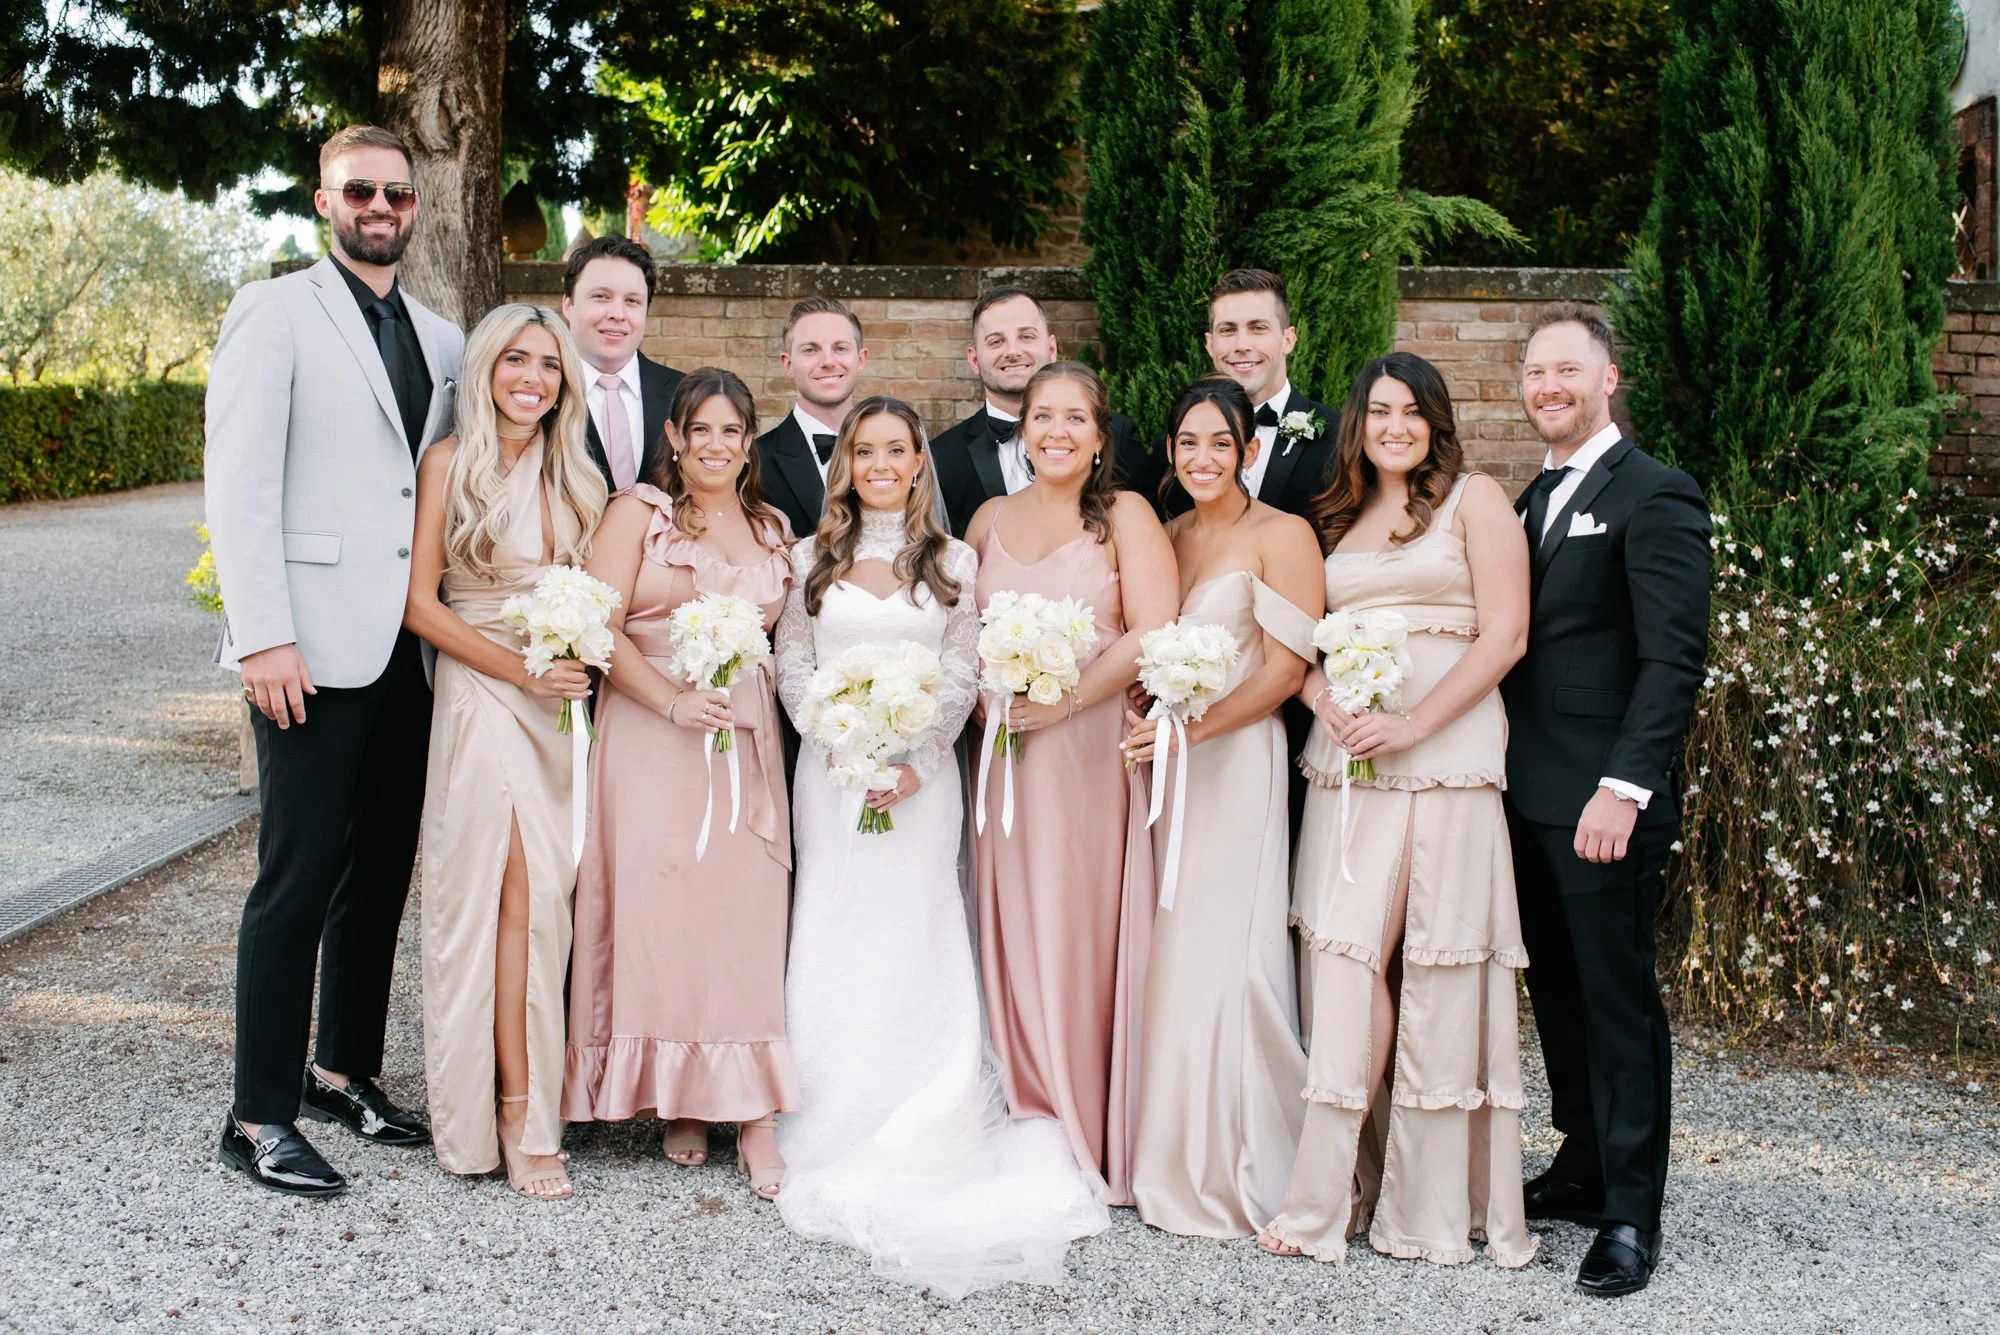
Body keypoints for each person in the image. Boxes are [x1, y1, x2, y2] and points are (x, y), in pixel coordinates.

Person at [771, 397, 1109, 1297]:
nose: (881, 463)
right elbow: (793, 662)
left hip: (922, 787)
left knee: (918, 922)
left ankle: (928, 1100)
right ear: (844, 462)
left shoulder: (957, 560)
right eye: (864, 449)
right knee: (834, 920)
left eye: (897, 449)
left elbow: (962, 668)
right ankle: (828, 1102)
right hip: (832, 778)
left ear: (921, 460)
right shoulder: (808, 558)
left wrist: (916, 758)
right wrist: (839, 739)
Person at [206, 124, 463, 1196]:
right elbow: (238, 477)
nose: (380, 207)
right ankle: (257, 1114)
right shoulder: (277, 310)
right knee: (295, 877)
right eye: (359, 189)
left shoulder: (446, 339)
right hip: (305, 646)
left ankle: (340, 1068)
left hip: (410, 650)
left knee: (380, 874)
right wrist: (263, 632)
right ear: (324, 200)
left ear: (415, 205)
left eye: (396, 192)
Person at [1254, 350, 1535, 1269]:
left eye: (1412, 412)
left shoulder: (1475, 500)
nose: (1395, 427)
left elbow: (1506, 634)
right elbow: (1303, 647)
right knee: (1343, 956)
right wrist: (1324, 703)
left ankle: (1429, 1206)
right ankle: (1334, 1187)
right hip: (1348, 766)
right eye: (1379, 412)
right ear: (1358, 424)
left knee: (1441, 965)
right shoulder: (1333, 517)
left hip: (1448, 759)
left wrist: (1415, 720)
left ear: (1436, 420)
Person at [1502, 305, 1710, 1297]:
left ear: (1606, 378)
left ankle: (1629, 1212)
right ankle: (1582, 1164)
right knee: (1560, 997)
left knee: (1617, 1004)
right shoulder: (1524, 500)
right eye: (1536, 372)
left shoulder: (1654, 496)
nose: (1549, 386)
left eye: (1567, 371)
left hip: (1599, 803)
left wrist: (1622, 787)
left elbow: (1672, 659)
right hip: (1523, 797)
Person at [564, 367, 798, 1200]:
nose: (716, 445)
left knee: (743, 915)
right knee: (663, 910)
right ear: (674, 436)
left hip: (744, 738)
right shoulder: (639, 515)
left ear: (747, 443)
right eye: (700, 429)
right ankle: (681, 1094)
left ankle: (755, 1112)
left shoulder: (772, 528)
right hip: (652, 731)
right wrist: (668, 697)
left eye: (732, 431)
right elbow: (596, 623)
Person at [402, 305, 607, 1199]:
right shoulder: (450, 465)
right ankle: (519, 1121)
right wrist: (521, 671)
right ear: (486, 369)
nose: (532, 377)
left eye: (550, 367)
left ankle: (520, 1100)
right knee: (502, 895)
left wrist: (574, 660)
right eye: (516, 360)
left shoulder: (580, 480)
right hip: (483, 691)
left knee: (547, 903)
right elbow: (420, 605)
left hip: (555, 710)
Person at [964, 362, 1178, 1207]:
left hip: (1089, 750)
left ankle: (1090, 1119)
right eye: (1041, 415)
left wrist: (1067, 701)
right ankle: (1027, 1109)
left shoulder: (1125, 515)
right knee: (1010, 920)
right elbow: (958, 629)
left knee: (1080, 924)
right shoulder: (986, 517)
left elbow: (1156, 629)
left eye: (1074, 418)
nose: (1055, 430)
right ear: (1022, 427)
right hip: (1005, 757)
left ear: (1099, 436)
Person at [1120, 377, 1321, 1237]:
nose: (1202, 458)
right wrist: (1146, 709)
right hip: (1170, 767)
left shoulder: (1283, 534)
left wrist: (1190, 735)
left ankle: (1251, 1159)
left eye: (1220, 443)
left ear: (1248, 450)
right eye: (1187, 443)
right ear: (1170, 452)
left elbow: (1282, 673)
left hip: (1236, 758)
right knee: (1175, 947)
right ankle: (1170, 1147)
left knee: (1232, 948)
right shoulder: (1165, 537)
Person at [930, 286, 1163, 535]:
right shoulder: (942, 457)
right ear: (974, 359)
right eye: (996, 341)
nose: (1013, 352)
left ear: (1051, 349)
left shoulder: (1117, 434)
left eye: (1026, 337)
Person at [1157, 269, 1338, 520]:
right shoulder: (1176, 443)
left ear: (1288, 339)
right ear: (1210, 344)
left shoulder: (1337, 438)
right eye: (1228, 330)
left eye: (1258, 328)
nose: (1242, 345)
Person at [559, 234, 685, 492]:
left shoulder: (684, 393)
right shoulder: (543, 392)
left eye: (632, 301)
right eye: (601, 297)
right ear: (569, 305)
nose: (617, 314)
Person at [755, 297, 869, 538]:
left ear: (861, 359)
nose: (828, 362)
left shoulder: (897, 452)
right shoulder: (755, 461)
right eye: (810, 350)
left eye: (840, 348)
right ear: (787, 364)